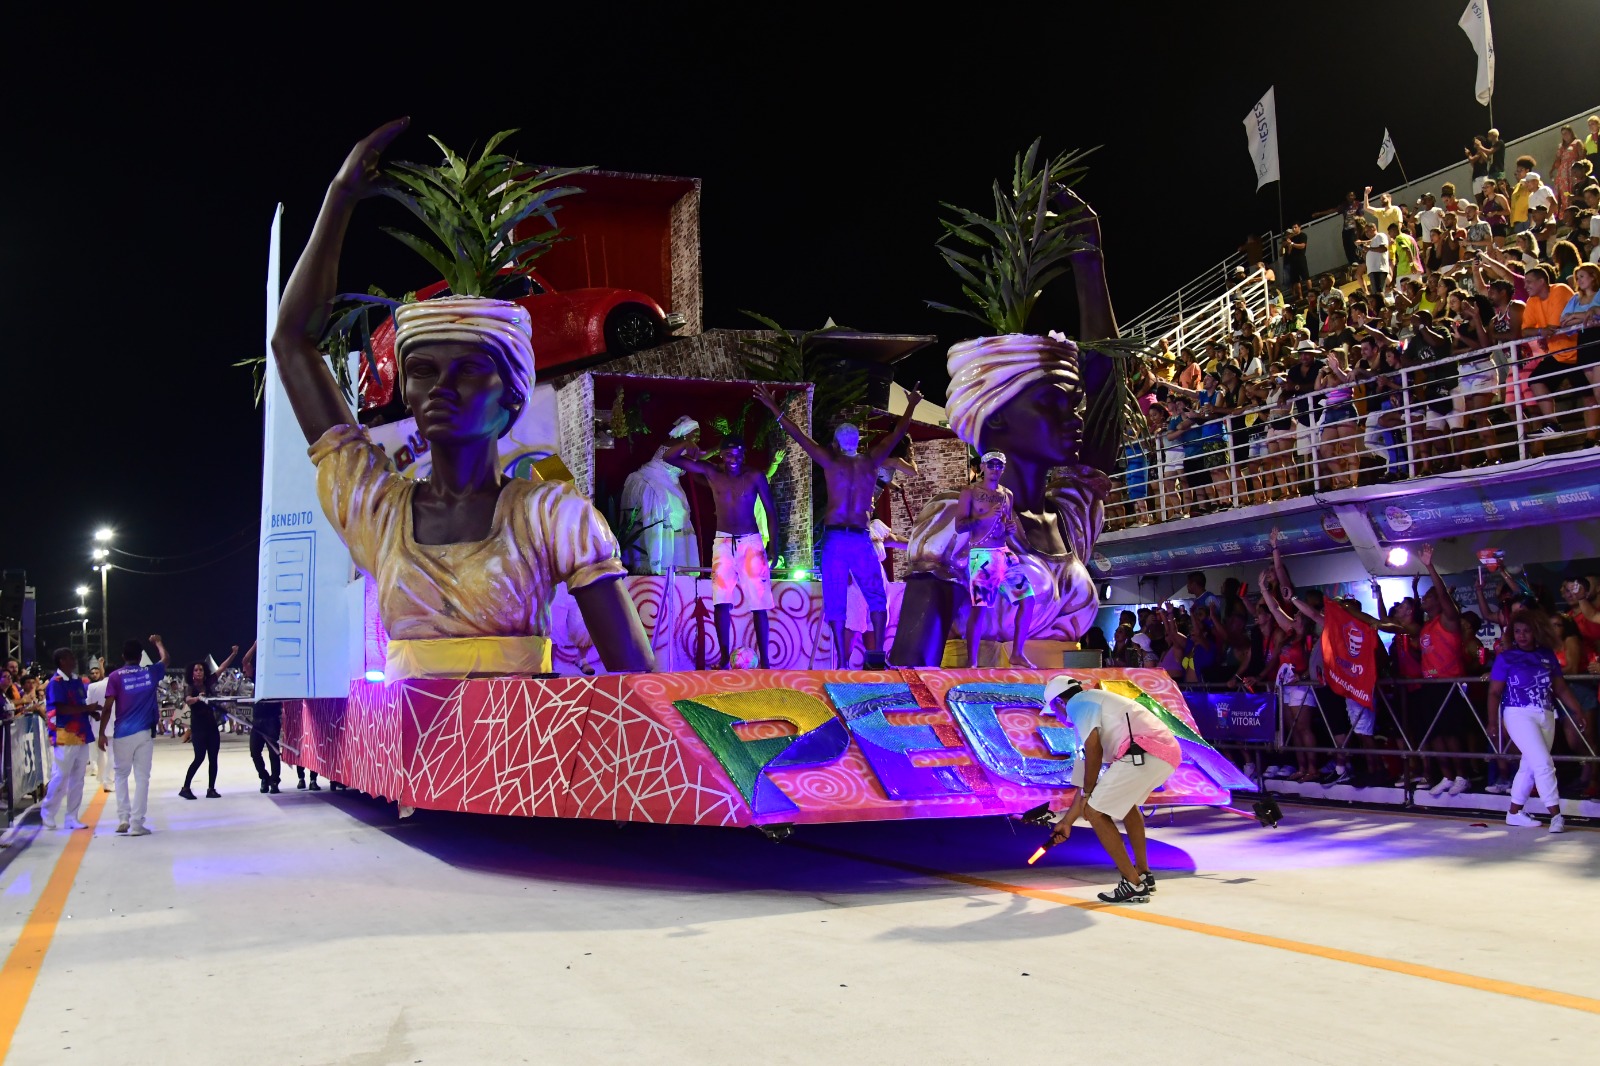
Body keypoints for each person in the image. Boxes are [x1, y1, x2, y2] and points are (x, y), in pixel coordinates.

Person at [272, 119, 653, 680]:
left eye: (470, 370)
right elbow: (291, 342)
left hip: (521, 760)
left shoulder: (554, 517)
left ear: (513, 395)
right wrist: (340, 199)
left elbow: (640, 686)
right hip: (411, 761)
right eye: (422, 370)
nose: (440, 389)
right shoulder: (379, 512)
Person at [755, 382, 922, 668]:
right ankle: (876, 655)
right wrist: (911, 405)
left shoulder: (831, 461)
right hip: (858, 537)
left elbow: (800, 437)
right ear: (857, 441)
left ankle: (844, 662)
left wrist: (774, 407)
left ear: (836, 442)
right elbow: (897, 435)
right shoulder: (871, 460)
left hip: (836, 538)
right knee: (876, 596)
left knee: (836, 597)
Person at [1037, 676, 1180, 904]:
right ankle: (1143, 873)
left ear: (1059, 703)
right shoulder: (1091, 706)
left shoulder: (1078, 703)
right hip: (1164, 752)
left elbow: (1093, 749)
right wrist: (1068, 821)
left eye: (1053, 710)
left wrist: (1088, 798)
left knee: (1094, 813)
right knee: (1127, 807)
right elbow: (1084, 777)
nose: (1057, 717)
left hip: (1144, 752)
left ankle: (1133, 884)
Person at [664, 435, 779, 669]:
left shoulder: (755, 476)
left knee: (759, 602)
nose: (733, 459)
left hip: (751, 543)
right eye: (728, 454)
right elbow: (669, 457)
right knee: (721, 601)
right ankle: (725, 658)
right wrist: (690, 445)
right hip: (723, 542)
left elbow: (771, 511)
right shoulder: (712, 472)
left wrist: (774, 546)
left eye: (737, 454)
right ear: (721, 455)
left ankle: (766, 662)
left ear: (744, 454)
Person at [1489, 611, 1582, 833]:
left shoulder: (1547, 655)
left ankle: (1514, 813)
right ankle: (1556, 815)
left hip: (1546, 713)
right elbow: (1494, 693)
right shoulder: (1506, 657)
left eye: (1527, 631)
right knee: (1543, 763)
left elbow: (1560, 688)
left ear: (1536, 632)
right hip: (1517, 713)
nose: (1521, 636)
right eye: (1518, 631)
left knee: (1530, 766)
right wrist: (1492, 721)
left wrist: (1576, 710)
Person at [956, 451, 1036, 668]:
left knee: (1028, 600)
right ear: (982, 467)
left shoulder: (1007, 494)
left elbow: (1004, 525)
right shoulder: (970, 492)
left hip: (1004, 553)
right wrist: (984, 515)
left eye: (999, 465)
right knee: (980, 608)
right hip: (982, 555)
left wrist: (1009, 528)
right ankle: (971, 662)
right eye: (991, 465)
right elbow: (960, 526)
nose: (995, 469)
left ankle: (1017, 653)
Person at [99, 635, 169, 836]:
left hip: (121, 733)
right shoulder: (150, 673)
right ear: (140, 657)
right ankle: (137, 823)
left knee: (121, 775)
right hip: (144, 733)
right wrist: (158, 643)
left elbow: (107, 707)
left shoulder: (115, 676)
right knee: (142, 778)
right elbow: (165, 660)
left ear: (123, 656)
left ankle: (123, 817)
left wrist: (102, 733)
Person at [40, 649, 102, 831]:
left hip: (82, 733)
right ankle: (48, 813)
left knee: (78, 777)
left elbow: (79, 705)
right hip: (64, 734)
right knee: (60, 776)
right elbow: (61, 709)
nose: (74, 660)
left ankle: (72, 817)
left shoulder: (76, 680)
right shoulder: (55, 683)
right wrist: (86, 709)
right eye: (70, 658)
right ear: (61, 661)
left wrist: (90, 711)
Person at [241, 642, 283, 794]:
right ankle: (264, 777)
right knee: (254, 752)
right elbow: (245, 661)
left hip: (272, 718)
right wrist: (255, 646)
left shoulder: (279, 677)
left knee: (273, 752)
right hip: (258, 719)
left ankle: (275, 781)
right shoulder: (259, 676)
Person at [179, 661, 223, 800]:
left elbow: (221, 669)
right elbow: (188, 700)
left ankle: (211, 789)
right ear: (192, 673)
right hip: (198, 728)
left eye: (201, 670)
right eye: (196, 670)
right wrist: (198, 698)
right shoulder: (190, 687)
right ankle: (185, 788)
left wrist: (233, 654)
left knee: (213, 759)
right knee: (199, 757)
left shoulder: (209, 683)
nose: (199, 672)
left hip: (211, 727)